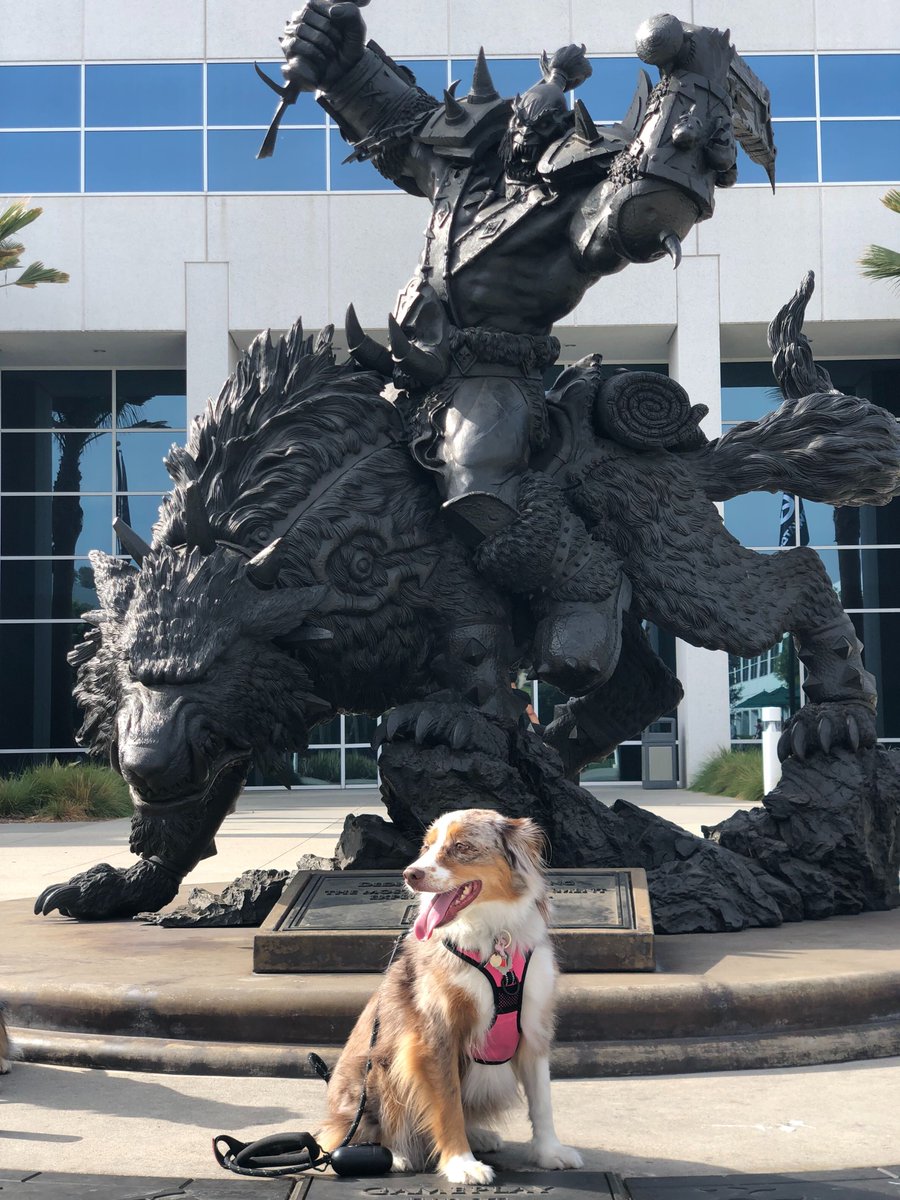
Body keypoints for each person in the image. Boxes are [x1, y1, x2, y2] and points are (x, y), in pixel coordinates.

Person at [266, 2, 774, 695]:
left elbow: (631, 217)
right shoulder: (462, 175)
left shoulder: (577, 200)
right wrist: (341, 62)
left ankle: (581, 582)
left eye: (544, 113)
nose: (527, 118)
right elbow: (395, 123)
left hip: (494, 379)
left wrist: (689, 92)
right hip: (411, 377)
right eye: (524, 107)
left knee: (478, 485)